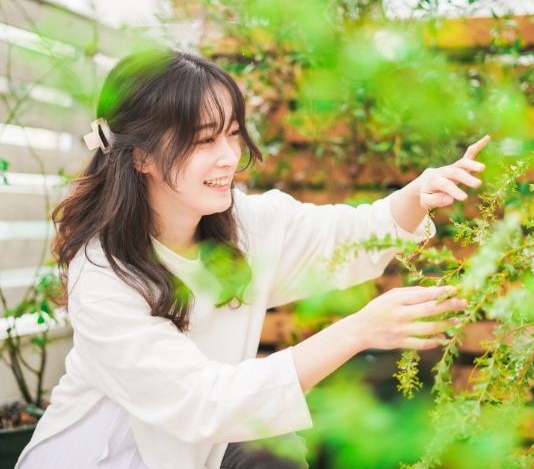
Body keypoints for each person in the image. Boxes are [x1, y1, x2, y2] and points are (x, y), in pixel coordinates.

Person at [15, 49, 489, 469]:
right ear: (141, 157)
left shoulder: (242, 224)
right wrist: (359, 330)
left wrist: (417, 193)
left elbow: (344, 237)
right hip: (106, 457)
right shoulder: (102, 274)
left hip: (202, 449)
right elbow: (204, 402)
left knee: (272, 446)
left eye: (233, 133)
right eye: (204, 140)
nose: (229, 157)